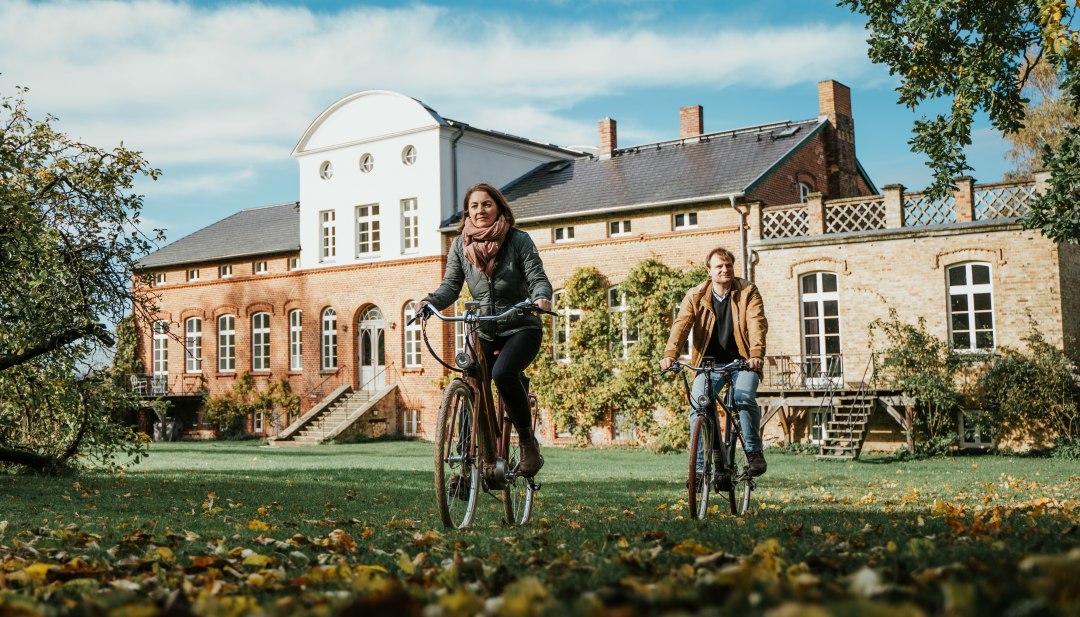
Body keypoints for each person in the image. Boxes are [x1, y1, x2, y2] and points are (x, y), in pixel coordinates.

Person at [421, 182, 553, 478]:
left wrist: (541, 297)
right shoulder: (460, 246)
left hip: (521, 325)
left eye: (487, 204)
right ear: (467, 212)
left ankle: (529, 445)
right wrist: (430, 302)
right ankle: (467, 464)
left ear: (499, 208)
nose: (481, 210)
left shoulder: (519, 240)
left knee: (503, 373)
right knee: (471, 382)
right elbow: (450, 287)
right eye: (474, 206)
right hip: (483, 328)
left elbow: (537, 276)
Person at [661, 247, 769, 478]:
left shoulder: (747, 291)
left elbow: (756, 323)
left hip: (743, 362)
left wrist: (756, 354)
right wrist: (671, 353)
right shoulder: (696, 295)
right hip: (708, 365)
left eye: (728, 265)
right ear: (708, 270)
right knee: (698, 406)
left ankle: (754, 453)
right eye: (719, 266)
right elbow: (681, 325)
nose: (725, 270)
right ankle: (699, 469)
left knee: (742, 397)